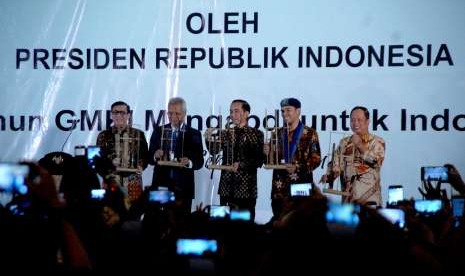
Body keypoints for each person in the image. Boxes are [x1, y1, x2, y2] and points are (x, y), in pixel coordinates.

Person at [205, 99, 264, 221]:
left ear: (246, 113)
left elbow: (259, 160)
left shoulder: (256, 134)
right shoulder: (226, 133)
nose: (232, 115)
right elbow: (214, 151)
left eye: (236, 111)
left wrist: (241, 165)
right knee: (224, 225)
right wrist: (208, 138)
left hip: (246, 190)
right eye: (231, 111)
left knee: (244, 226)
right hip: (226, 188)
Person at [263, 98, 321, 220]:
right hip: (279, 190)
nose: (285, 114)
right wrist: (267, 153)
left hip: (301, 188)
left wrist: (297, 167)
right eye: (282, 111)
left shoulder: (310, 133)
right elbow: (270, 161)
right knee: (279, 224)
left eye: (288, 110)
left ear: (298, 111)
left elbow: (316, 160)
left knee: (301, 225)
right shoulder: (277, 133)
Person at [148, 97, 204, 214]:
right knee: (158, 221)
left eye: (177, 113)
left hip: (183, 188)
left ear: (184, 114)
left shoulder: (194, 134)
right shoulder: (159, 131)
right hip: (161, 185)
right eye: (170, 113)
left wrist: (189, 162)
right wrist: (155, 155)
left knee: (182, 225)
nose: (173, 116)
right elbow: (149, 158)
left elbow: (199, 161)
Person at [321, 106, 385, 206]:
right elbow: (337, 167)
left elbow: (376, 162)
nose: (355, 123)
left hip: (369, 203)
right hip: (348, 203)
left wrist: (360, 145)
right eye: (352, 120)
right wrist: (330, 176)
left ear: (367, 122)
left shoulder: (377, 142)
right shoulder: (344, 142)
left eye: (359, 120)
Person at [96, 101, 149, 204]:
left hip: (133, 182)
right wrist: (107, 174)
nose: (119, 115)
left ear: (128, 115)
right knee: (111, 215)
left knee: (133, 215)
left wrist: (141, 166)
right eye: (115, 112)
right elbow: (98, 161)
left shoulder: (138, 134)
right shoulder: (103, 135)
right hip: (111, 182)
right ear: (111, 115)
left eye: (123, 113)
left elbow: (145, 157)